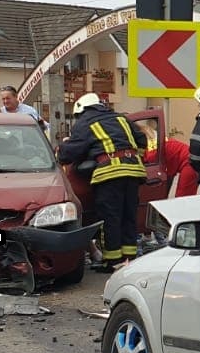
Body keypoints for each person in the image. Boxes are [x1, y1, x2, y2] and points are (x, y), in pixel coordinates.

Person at [58, 91, 146, 270]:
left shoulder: (85, 122)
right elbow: (142, 139)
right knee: (128, 215)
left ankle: (113, 261)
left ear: (81, 110)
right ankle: (129, 259)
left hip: (110, 173)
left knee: (110, 217)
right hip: (135, 170)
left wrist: (63, 148)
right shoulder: (121, 118)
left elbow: (69, 154)